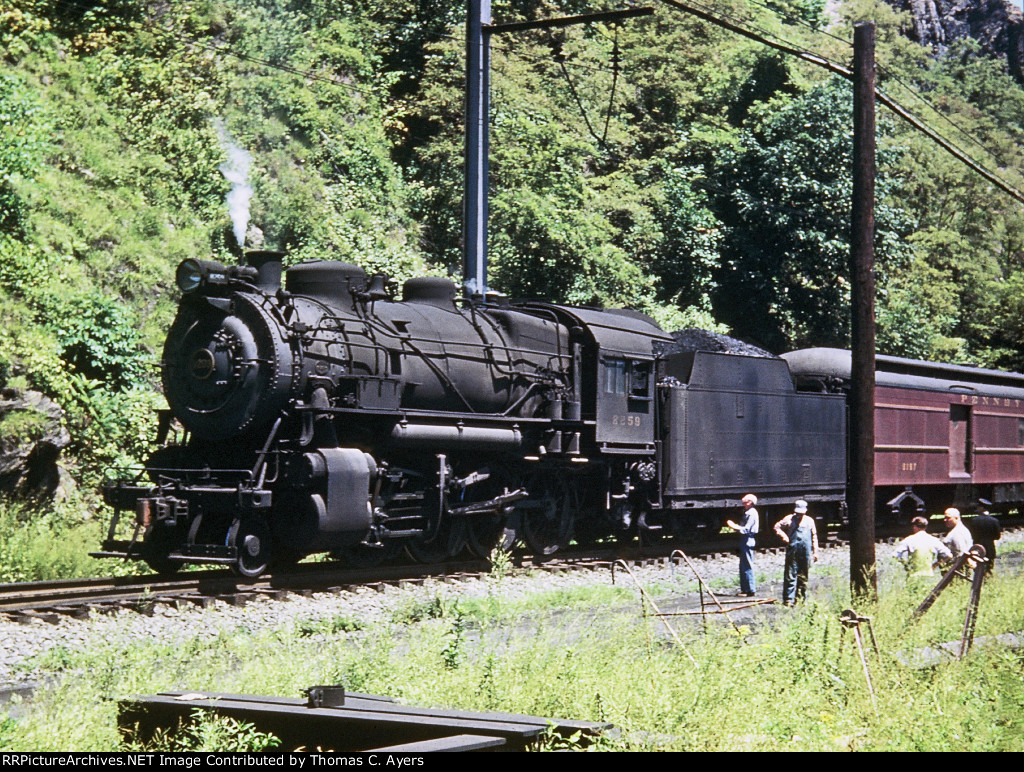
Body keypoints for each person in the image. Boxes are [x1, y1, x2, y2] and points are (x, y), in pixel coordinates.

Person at [774, 499, 818, 606]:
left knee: (803, 575)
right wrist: (783, 536)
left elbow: (814, 536)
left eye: (801, 513)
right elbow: (777, 527)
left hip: (806, 551)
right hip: (792, 550)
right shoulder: (789, 519)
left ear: (806, 511)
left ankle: (801, 599)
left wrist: (815, 552)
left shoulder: (809, 521)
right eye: (798, 512)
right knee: (790, 573)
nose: (799, 515)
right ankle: (788, 599)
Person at [726, 493, 759, 596]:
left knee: (747, 565)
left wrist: (734, 526)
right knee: (743, 565)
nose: (743, 503)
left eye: (745, 502)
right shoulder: (748, 512)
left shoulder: (752, 513)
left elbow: (746, 529)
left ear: (750, 502)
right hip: (745, 540)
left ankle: (750, 590)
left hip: (747, 539)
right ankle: (745, 589)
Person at [967, 508, 1001, 574]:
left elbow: (972, 535)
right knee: (989, 568)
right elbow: (997, 537)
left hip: (977, 548)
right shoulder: (994, 521)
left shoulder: (974, 521)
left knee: (978, 569)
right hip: (990, 548)